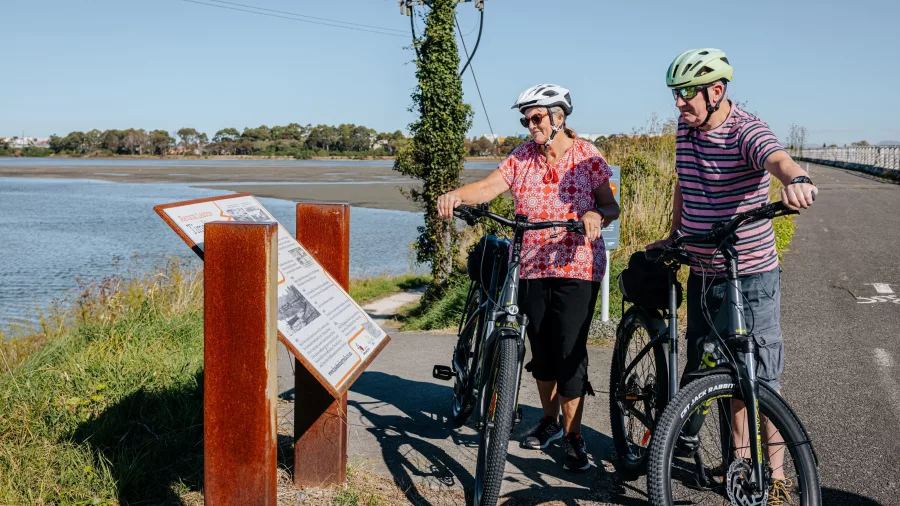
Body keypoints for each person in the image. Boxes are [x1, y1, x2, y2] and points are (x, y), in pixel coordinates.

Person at [648, 48, 817, 498]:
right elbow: (684, 181)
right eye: (675, 95)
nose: (678, 105)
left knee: (759, 377)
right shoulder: (687, 128)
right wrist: (674, 234)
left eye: (685, 95)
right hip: (703, 269)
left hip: (750, 273)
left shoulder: (746, 130)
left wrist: (795, 180)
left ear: (716, 91)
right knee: (720, 370)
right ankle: (738, 465)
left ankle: (776, 477)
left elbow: (777, 158)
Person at [437, 84, 620, 472]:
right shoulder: (523, 156)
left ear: (559, 116)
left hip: (577, 267)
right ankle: (550, 421)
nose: (529, 125)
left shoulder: (587, 156)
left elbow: (610, 204)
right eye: (525, 119)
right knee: (541, 349)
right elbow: (489, 187)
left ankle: (574, 437)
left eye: (536, 117)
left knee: (570, 352)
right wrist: (457, 194)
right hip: (533, 264)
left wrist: (595, 215)